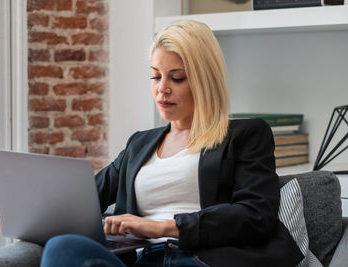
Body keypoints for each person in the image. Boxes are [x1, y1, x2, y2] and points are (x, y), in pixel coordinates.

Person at [40, 20, 304, 267]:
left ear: (205, 81)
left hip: (196, 259)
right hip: (143, 260)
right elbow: (84, 201)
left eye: (176, 77)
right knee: (63, 248)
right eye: (156, 76)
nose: (162, 89)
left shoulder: (245, 135)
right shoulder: (138, 145)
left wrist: (162, 227)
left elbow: (255, 216)